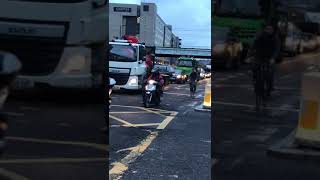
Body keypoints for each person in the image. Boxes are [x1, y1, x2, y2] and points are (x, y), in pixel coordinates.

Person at [248, 23, 281, 96]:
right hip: (259, 56)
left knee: (270, 72)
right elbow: (253, 46)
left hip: (269, 57)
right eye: (267, 29)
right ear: (264, 29)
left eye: (270, 29)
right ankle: (255, 81)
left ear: (273, 30)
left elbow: (277, 49)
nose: (268, 30)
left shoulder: (275, 38)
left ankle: (270, 87)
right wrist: (249, 56)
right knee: (254, 67)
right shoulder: (260, 36)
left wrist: (273, 58)